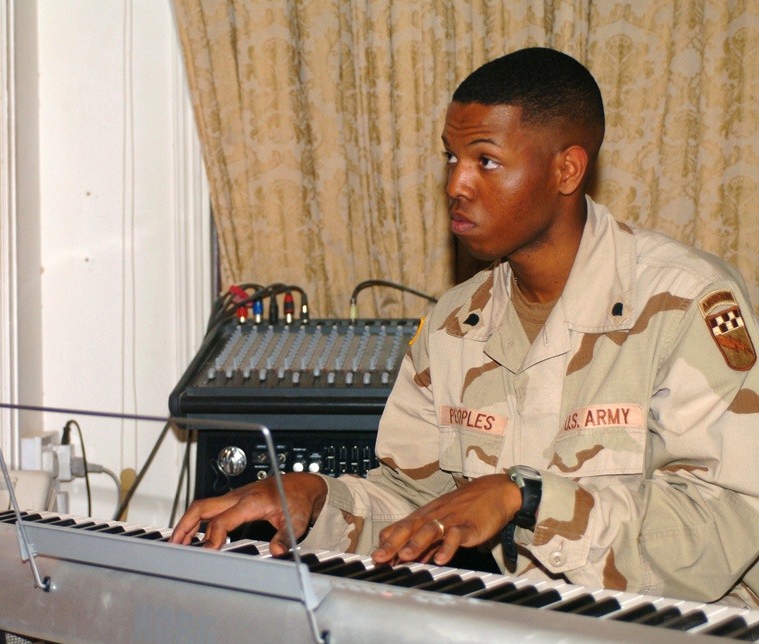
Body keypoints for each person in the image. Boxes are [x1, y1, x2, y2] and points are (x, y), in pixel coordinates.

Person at [170, 47, 759, 608]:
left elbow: (727, 523)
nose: (457, 183)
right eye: (452, 157)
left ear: (566, 169)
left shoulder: (687, 301)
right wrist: (316, 498)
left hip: (685, 638)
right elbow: (416, 502)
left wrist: (526, 500)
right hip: (519, 630)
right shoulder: (455, 322)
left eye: (486, 160)